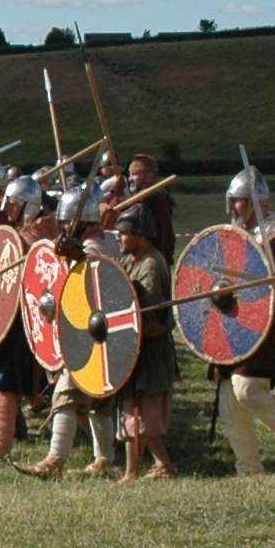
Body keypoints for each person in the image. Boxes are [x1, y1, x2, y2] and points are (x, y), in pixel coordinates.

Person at [211, 166, 275, 478]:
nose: (233, 208)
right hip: (233, 323)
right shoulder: (235, 237)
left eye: (238, 201)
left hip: (269, 326)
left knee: (248, 390)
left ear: (257, 201)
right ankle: (249, 470)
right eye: (232, 201)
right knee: (229, 397)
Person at [32, 183, 125, 477]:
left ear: (79, 222)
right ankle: (105, 460)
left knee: (65, 395)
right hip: (107, 335)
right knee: (98, 401)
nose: (61, 226)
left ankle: (54, 461)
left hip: (92, 333)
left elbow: (97, 290)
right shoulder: (109, 239)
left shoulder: (94, 248)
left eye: (64, 220)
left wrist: (80, 259)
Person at [0, 176, 50, 464]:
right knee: (4, 379)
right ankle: (1, 444)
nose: (7, 208)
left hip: (33, 322)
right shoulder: (19, 233)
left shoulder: (38, 237)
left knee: (9, 380)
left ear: (29, 206)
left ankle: (1, 447)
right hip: (16, 321)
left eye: (13, 203)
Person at [113, 204, 176, 480]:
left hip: (151, 349)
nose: (118, 237)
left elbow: (151, 321)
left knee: (143, 417)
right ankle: (139, 471)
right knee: (131, 411)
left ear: (140, 235)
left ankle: (157, 467)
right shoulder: (132, 261)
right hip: (135, 348)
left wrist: (125, 332)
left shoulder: (150, 265)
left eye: (123, 233)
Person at [124, 152, 177, 261]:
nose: (130, 179)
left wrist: (116, 192)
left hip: (152, 259)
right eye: (130, 175)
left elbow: (125, 216)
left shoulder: (152, 198)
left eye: (134, 174)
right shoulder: (153, 197)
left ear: (147, 176)